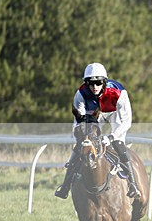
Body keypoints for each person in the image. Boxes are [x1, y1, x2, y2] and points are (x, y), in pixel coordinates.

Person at [55, 62, 142, 199]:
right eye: (91, 83)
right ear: (86, 83)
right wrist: (83, 138)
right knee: (81, 146)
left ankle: (133, 185)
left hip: (114, 114)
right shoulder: (81, 94)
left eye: (98, 83)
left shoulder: (119, 93)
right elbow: (79, 122)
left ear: (104, 82)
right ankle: (65, 186)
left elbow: (126, 122)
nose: (94, 87)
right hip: (94, 115)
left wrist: (112, 137)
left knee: (118, 144)